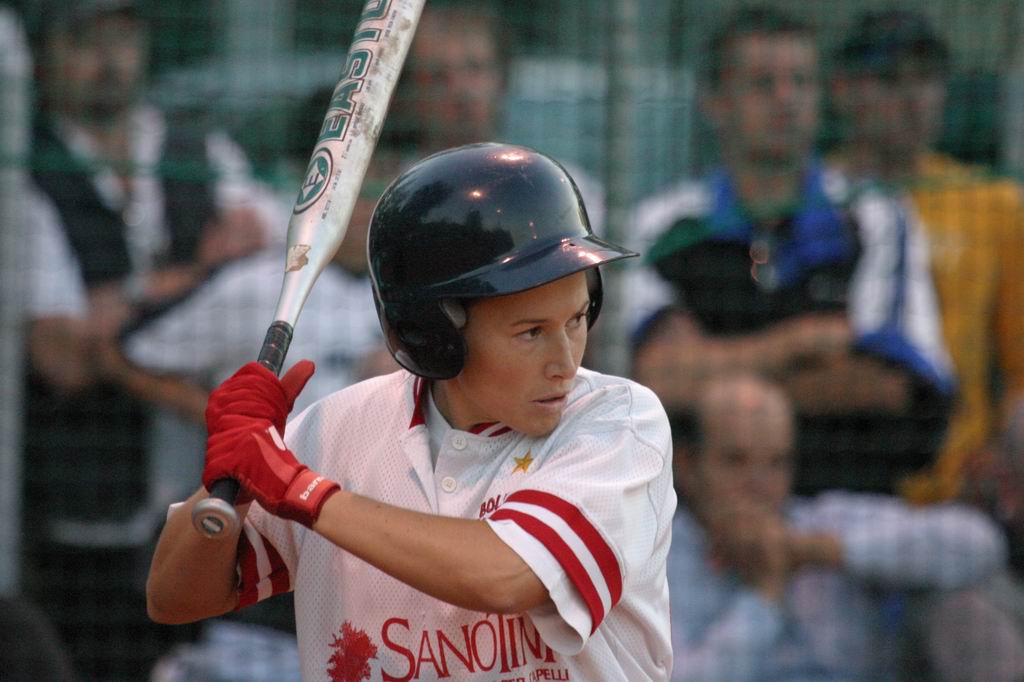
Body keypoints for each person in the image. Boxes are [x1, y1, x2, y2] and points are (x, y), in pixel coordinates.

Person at [145, 143, 677, 681]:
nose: (565, 362)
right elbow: (173, 597)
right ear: (433, 333)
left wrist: (302, 491)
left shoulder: (618, 423)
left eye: (577, 319)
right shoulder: (339, 431)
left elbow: (507, 577)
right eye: (531, 332)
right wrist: (232, 480)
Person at [21, 0, 278, 676]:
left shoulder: (201, 153)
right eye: (85, 39)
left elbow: (278, 267)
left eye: (122, 36)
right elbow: (61, 354)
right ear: (45, 56)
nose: (109, 60)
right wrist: (194, 279)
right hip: (87, 504)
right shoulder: (29, 174)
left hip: (211, 497)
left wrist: (121, 312)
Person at [628, 5, 953, 496]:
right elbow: (653, 381)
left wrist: (714, 376)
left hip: (851, 505)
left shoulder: (878, 215)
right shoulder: (663, 226)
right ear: (715, 102)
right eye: (763, 84)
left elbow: (896, 386)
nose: (786, 100)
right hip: (689, 510)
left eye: (801, 82)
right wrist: (797, 344)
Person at [667, 373, 1022, 681]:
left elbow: (980, 542)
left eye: (777, 462)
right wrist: (764, 595)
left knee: (966, 608)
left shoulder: (821, 521)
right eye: (736, 461)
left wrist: (823, 551)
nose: (759, 485)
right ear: (688, 466)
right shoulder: (656, 557)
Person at [829, 9, 1024, 507]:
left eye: (926, 80)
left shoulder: (991, 204)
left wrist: (1003, 456)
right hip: (833, 485)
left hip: (959, 494)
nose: (913, 99)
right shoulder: (817, 201)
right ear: (844, 91)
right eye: (890, 81)